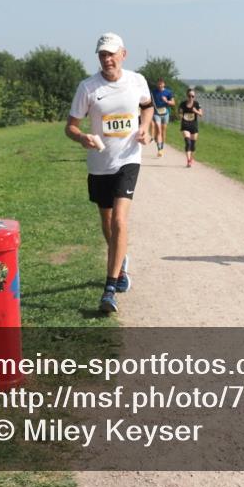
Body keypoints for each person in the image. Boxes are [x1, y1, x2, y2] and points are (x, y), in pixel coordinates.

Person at [65, 33, 153, 314]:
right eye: (102, 54)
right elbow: (70, 126)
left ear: (123, 54)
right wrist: (82, 138)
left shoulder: (137, 81)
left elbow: (147, 106)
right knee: (107, 222)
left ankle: (110, 288)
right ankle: (121, 262)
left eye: (111, 54)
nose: (107, 59)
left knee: (119, 220)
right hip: (99, 163)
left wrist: (144, 128)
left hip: (128, 159)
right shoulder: (88, 87)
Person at [150, 78, 175, 157]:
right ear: (157, 84)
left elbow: (173, 103)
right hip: (156, 113)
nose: (160, 85)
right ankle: (159, 150)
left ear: (164, 84)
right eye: (158, 84)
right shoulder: (153, 92)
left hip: (165, 113)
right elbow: (150, 101)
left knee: (163, 131)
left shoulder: (168, 92)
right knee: (159, 130)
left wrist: (166, 101)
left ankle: (162, 147)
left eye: (161, 84)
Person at [178, 89, 204, 167]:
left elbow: (201, 114)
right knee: (188, 142)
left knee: (193, 144)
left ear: (194, 96)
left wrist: (196, 111)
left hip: (193, 126)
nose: (191, 98)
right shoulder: (183, 104)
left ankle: (191, 159)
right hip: (185, 125)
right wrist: (180, 115)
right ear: (187, 96)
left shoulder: (196, 104)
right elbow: (180, 113)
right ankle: (188, 160)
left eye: (193, 96)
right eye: (189, 96)